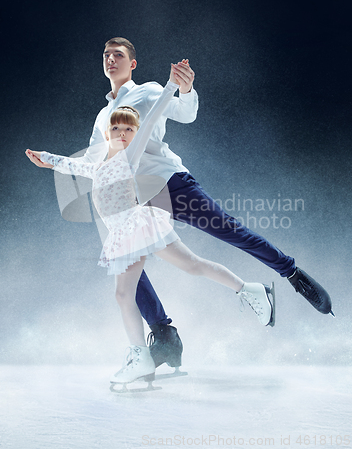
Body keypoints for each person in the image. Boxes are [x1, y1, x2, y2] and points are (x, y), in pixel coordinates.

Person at [31, 37, 333, 371]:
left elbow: (184, 113)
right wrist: (52, 160)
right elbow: (95, 159)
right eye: (106, 55)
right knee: (128, 265)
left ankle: (290, 272)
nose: (110, 59)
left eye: (118, 55)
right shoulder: (102, 117)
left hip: (167, 182)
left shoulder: (146, 91)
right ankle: (164, 337)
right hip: (135, 202)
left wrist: (185, 90)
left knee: (227, 231)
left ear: (132, 63)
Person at [26, 71, 275, 386]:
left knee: (122, 294)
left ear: (134, 135)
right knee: (193, 265)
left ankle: (140, 357)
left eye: (127, 129)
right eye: (115, 128)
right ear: (107, 134)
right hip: (138, 228)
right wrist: (46, 159)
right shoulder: (97, 166)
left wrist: (172, 85)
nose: (120, 133)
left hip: (134, 229)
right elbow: (70, 165)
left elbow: (155, 112)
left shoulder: (130, 157)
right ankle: (251, 290)